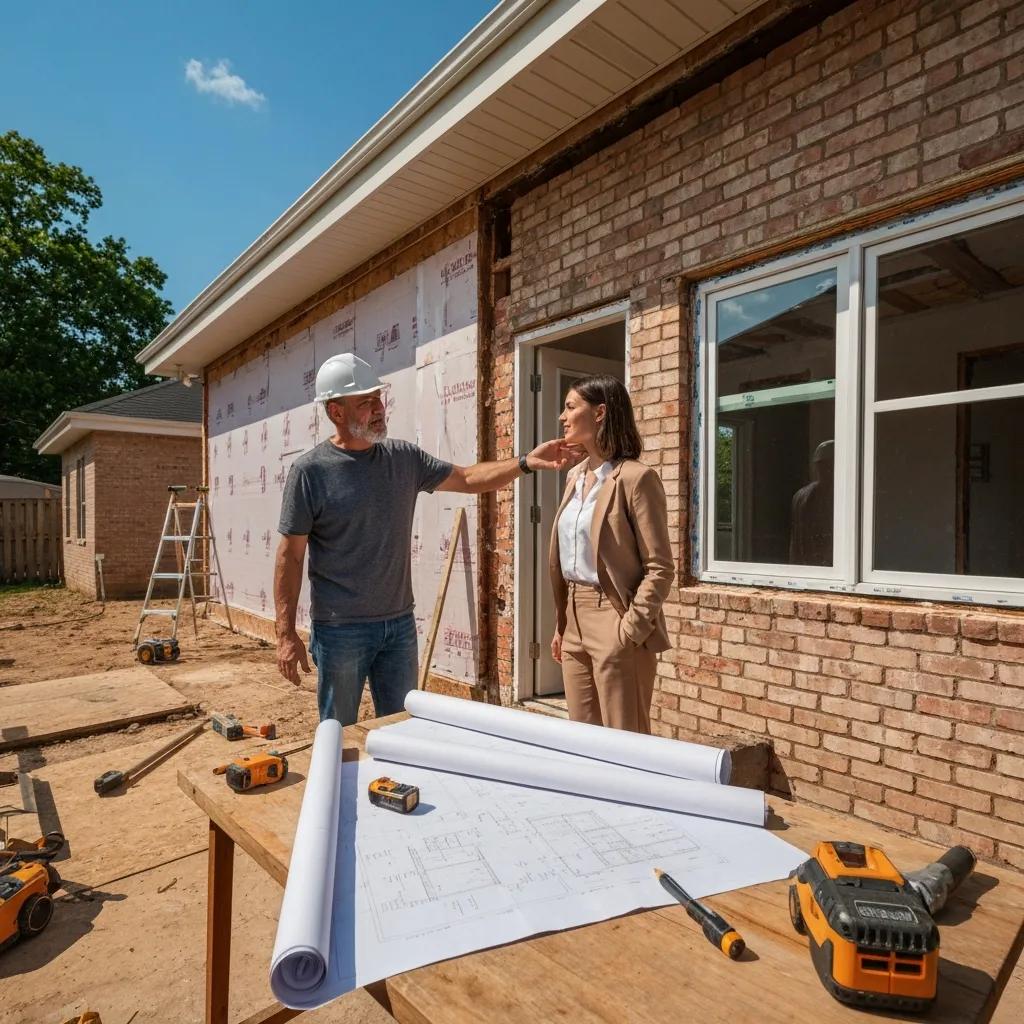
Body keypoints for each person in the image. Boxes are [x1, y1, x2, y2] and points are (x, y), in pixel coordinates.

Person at [275, 352, 571, 725]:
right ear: (336, 412)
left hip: (398, 626)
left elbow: (466, 478)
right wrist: (285, 633)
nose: (378, 408)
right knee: (340, 731)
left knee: (401, 729)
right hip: (340, 630)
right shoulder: (310, 472)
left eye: (378, 397)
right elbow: (291, 557)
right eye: (365, 402)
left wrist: (526, 462)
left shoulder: (403, 459)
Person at [549, 375, 674, 734]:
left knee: (625, 742)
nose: (562, 416)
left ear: (600, 412)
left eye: (571, 407)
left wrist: (630, 630)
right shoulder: (574, 476)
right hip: (573, 619)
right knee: (583, 740)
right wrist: (562, 623)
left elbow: (661, 568)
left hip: (615, 617)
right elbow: (571, 557)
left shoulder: (637, 478)